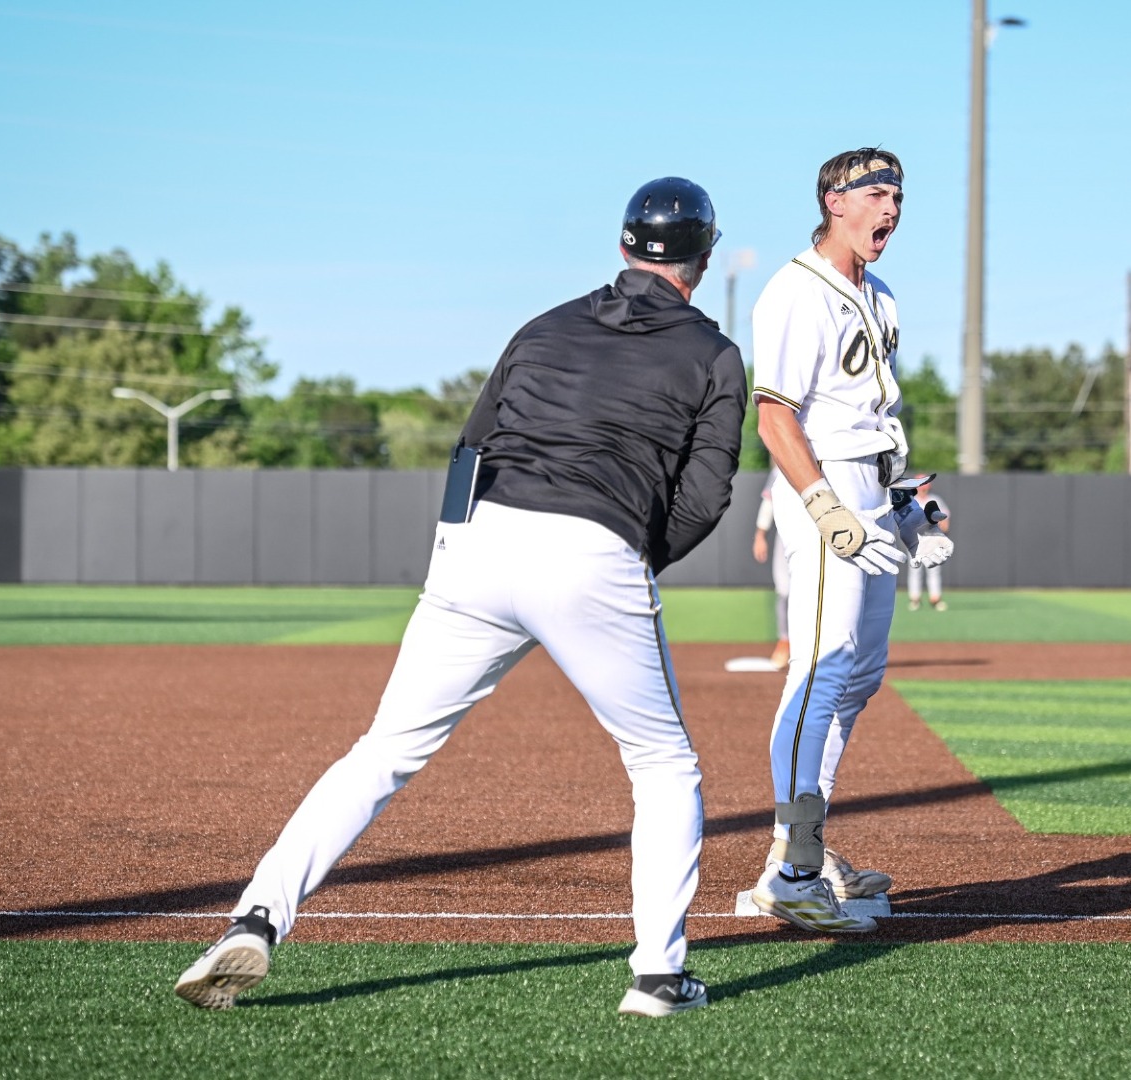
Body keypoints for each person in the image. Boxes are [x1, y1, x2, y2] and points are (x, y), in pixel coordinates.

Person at [173, 177, 745, 1017]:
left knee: (382, 752)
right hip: (592, 548)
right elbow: (706, 496)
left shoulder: (544, 326)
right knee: (663, 766)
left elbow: (470, 444)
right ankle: (658, 978)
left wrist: (455, 549)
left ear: (623, 245)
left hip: (476, 543)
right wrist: (623, 562)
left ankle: (257, 916)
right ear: (706, 254)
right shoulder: (715, 354)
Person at [746, 148, 951, 932]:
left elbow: (877, 420)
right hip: (821, 485)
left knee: (860, 674)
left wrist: (903, 505)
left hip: (868, 486)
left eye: (898, 193)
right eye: (876, 192)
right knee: (822, 670)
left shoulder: (884, 294)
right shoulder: (796, 290)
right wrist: (826, 506)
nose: (891, 206)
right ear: (834, 200)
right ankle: (794, 869)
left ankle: (799, 846)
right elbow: (775, 416)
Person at [751, 472, 792, 668]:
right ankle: (785, 642)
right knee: (784, 591)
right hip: (787, 537)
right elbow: (769, 502)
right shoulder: (781, 465)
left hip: (821, 536)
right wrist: (760, 535)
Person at [905, 478, 952, 611]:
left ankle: (935, 599)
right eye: (921, 486)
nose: (923, 488)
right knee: (915, 569)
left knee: (934, 570)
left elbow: (945, 519)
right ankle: (915, 599)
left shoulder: (935, 499)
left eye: (925, 486)